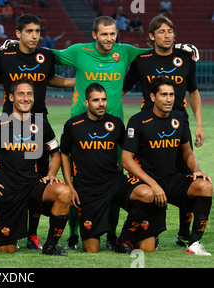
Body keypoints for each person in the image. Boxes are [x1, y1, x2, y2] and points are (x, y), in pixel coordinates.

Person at [50, 15, 198, 250]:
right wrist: (18, 46)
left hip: (115, 129)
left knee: (115, 180)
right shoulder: (79, 51)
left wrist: (179, 48)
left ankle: (111, 235)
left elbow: (154, 49)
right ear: (94, 35)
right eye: (104, 34)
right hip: (82, 126)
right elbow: (50, 55)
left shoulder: (126, 51)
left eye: (113, 33)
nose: (109, 38)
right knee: (78, 184)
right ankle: (74, 234)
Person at [0, 14, 74, 250]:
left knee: (37, 178)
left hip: (38, 124)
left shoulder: (45, 55)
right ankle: (3, 220)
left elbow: (51, 79)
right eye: (29, 31)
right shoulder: (4, 56)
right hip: (10, 124)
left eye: (38, 31)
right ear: (18, 34)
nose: (35, 35)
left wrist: (72, 82)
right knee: (11, 175)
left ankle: (33, 235)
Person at [122, 15, 205, 247]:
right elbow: (125, 87)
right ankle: (152, 230)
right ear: (151, 36)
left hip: (179, 126)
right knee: (153, 179)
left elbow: (194, 91)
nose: (166, 35)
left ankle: (184, 232)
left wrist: (198, 124)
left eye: (170, 31)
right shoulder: (142, 60)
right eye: (161, 31)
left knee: (187, 177)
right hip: (148, 130)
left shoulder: (186, 58)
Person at [0, 78, 71, 256]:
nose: (25, 98)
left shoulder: (41, 125)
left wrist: (51, 174)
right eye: (21, 94)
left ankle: (50, 246)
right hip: (7, 190)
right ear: (11, 97)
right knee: (6, 250)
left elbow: (55, 154)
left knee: (64, 192)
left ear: (34, 97)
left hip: (32, 185)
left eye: (29, 94)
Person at [60, 83, 160, 253]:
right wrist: (70, 186)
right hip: (88, 187)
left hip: (114, 181)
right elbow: (64, 155)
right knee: (91, 249)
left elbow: (130, 152)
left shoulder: (116, 123)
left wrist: (134, 172)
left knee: (146, 193)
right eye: (96, 100)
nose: (101, 103)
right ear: (86, 103)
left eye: (104, 99)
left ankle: (124, 239)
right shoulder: (73, 125)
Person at [122, 77, 212, 256]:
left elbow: (187, 153)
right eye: (164, 95)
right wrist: (153, 184)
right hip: (146, 185)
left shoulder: (179, 119)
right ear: (153, 97)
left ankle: (194, 244)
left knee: (204, 186)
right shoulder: (138, 121)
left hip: (170, 180)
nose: (169, 99)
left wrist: (196, 170)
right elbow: (126, 159)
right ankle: (127, 236)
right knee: (146, 248)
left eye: (172, 94)